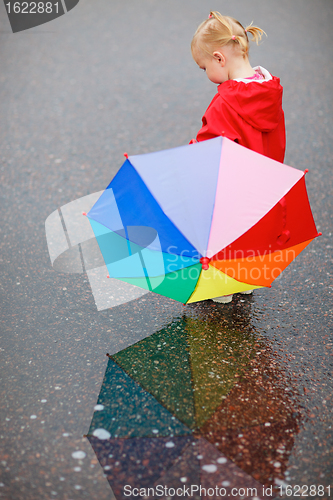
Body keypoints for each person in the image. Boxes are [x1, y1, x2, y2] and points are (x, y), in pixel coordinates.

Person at [191, 11, 286, 304]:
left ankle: (221, 287)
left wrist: (194, 149)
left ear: (219, 58)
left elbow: (212, 146)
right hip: (264, 174)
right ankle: (246, 279)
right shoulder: (268, 88)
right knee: (253, 225)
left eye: (203, 66)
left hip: (234, 180)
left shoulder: (226, 101)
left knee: (224, 227)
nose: (206, 74)